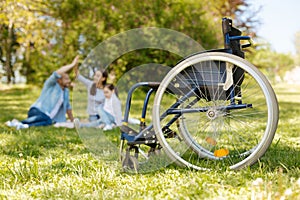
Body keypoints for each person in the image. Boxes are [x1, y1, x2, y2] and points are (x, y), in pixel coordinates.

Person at [5, 56, 79, 129]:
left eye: (69, 79)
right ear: (59, 80)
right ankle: (19, 123)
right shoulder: (50, 84)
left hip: (48, 118)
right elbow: (57, 73)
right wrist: (72, 65)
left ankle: (23, 125)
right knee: (48, 120)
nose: (69, 81)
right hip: (37, 111)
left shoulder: (66, 91)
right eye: (66, 79)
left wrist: (72, 121)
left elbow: (68, 109)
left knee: (50, 121)